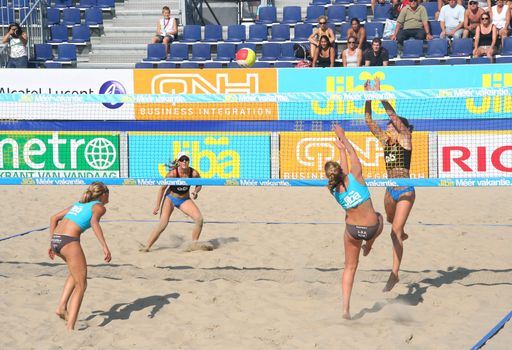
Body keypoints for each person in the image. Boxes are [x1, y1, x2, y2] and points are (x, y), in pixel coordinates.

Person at [324, 125, 384, 320]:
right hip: (371, 229)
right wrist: (343, 138)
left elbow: (342, 173)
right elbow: (353, 154)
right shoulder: (356, 175)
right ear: (343, 171)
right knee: (381, 218)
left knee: (349, 267)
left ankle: (345, 309)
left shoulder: (333, 190)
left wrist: (340, 151)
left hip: (352, 231)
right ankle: (370, 245)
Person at [364, 78, 415, 293]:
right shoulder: (386, 141)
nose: (387, 126)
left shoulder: (405, 137)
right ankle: (400, 232)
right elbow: (368, 120)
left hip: (405, 189)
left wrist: (380, 95)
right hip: (389, 189)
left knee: (394, 231)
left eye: (390, 125)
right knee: (389, 222)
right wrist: (368, 98)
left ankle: (394, 273)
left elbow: (393, 116)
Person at [48, 182, 111, 330]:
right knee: (81, 285)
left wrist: (51, 242)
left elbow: (53, 218)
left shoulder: (77, 204)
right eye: (108, 193)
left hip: (57, 240)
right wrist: (104, 247)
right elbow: (94, 223)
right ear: (103, 194)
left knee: (75, 272)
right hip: (69, 242)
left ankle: (61, 307)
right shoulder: (99, 207)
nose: (109, 196)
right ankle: (70, 327)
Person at [140, 152, 204, 252]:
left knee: (199, 219)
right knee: (163, 224)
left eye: (186, 159)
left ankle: (193, 244)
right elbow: (162, 189)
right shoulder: (172, 174)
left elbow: (199, 184)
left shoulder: (193, 173)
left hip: (184, 199)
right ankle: (147, 246)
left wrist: (196, 191)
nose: (184, 161)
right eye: (182, 159)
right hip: (170, 198)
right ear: (178, 162)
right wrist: (157, 206)